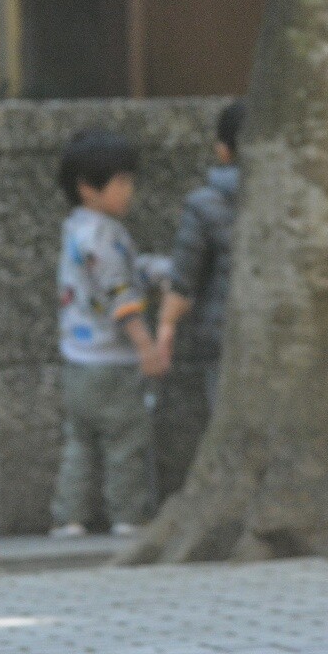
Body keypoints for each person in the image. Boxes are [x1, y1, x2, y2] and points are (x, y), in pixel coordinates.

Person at [52, 130, 165, 537]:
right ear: (87, 188)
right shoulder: (104, 234)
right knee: (126, 441)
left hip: (77, 357)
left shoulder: (77, 229)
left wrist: (156, 269)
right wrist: (146, 345)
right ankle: (129, 516)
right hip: (113, 360)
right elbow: (121, 295)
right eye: (121, 182)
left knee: (80, 442)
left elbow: (125, 271)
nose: (129, 191)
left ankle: (69, 517)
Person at [150, 100, 244, 496]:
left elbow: (184, 280)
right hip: (288, 337)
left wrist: (165, 330)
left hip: (221, 337)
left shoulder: (205, 203)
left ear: (223, 149)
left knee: (226, 425)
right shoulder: (300, 198)